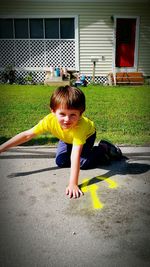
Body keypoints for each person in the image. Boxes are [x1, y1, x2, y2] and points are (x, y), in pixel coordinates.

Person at [0, 86, 123, 199]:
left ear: (81, 113)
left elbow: (75, 154)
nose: (67, 120)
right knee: (61, 161)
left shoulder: (80, 126)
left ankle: (103, 147)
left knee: (83, 162)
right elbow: (27, 135)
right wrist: (1, 148)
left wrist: (73, 184)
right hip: (66, 137)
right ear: (53, 111)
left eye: (73, 115)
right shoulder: (49, 121)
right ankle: (93, 151)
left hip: (87, 136)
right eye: (62, 114)